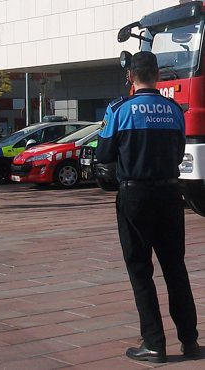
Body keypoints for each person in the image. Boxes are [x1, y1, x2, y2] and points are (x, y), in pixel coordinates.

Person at [96, 51, 199, 363]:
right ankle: (190, 341)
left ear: (131, 76)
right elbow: (180, 148)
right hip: (170, 195)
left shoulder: (119, 109)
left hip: (135, 197)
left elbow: (103, 154)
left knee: (141, 270)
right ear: (158, 75)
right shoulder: (174, 109)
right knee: (175, 269)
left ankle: (154, 343)